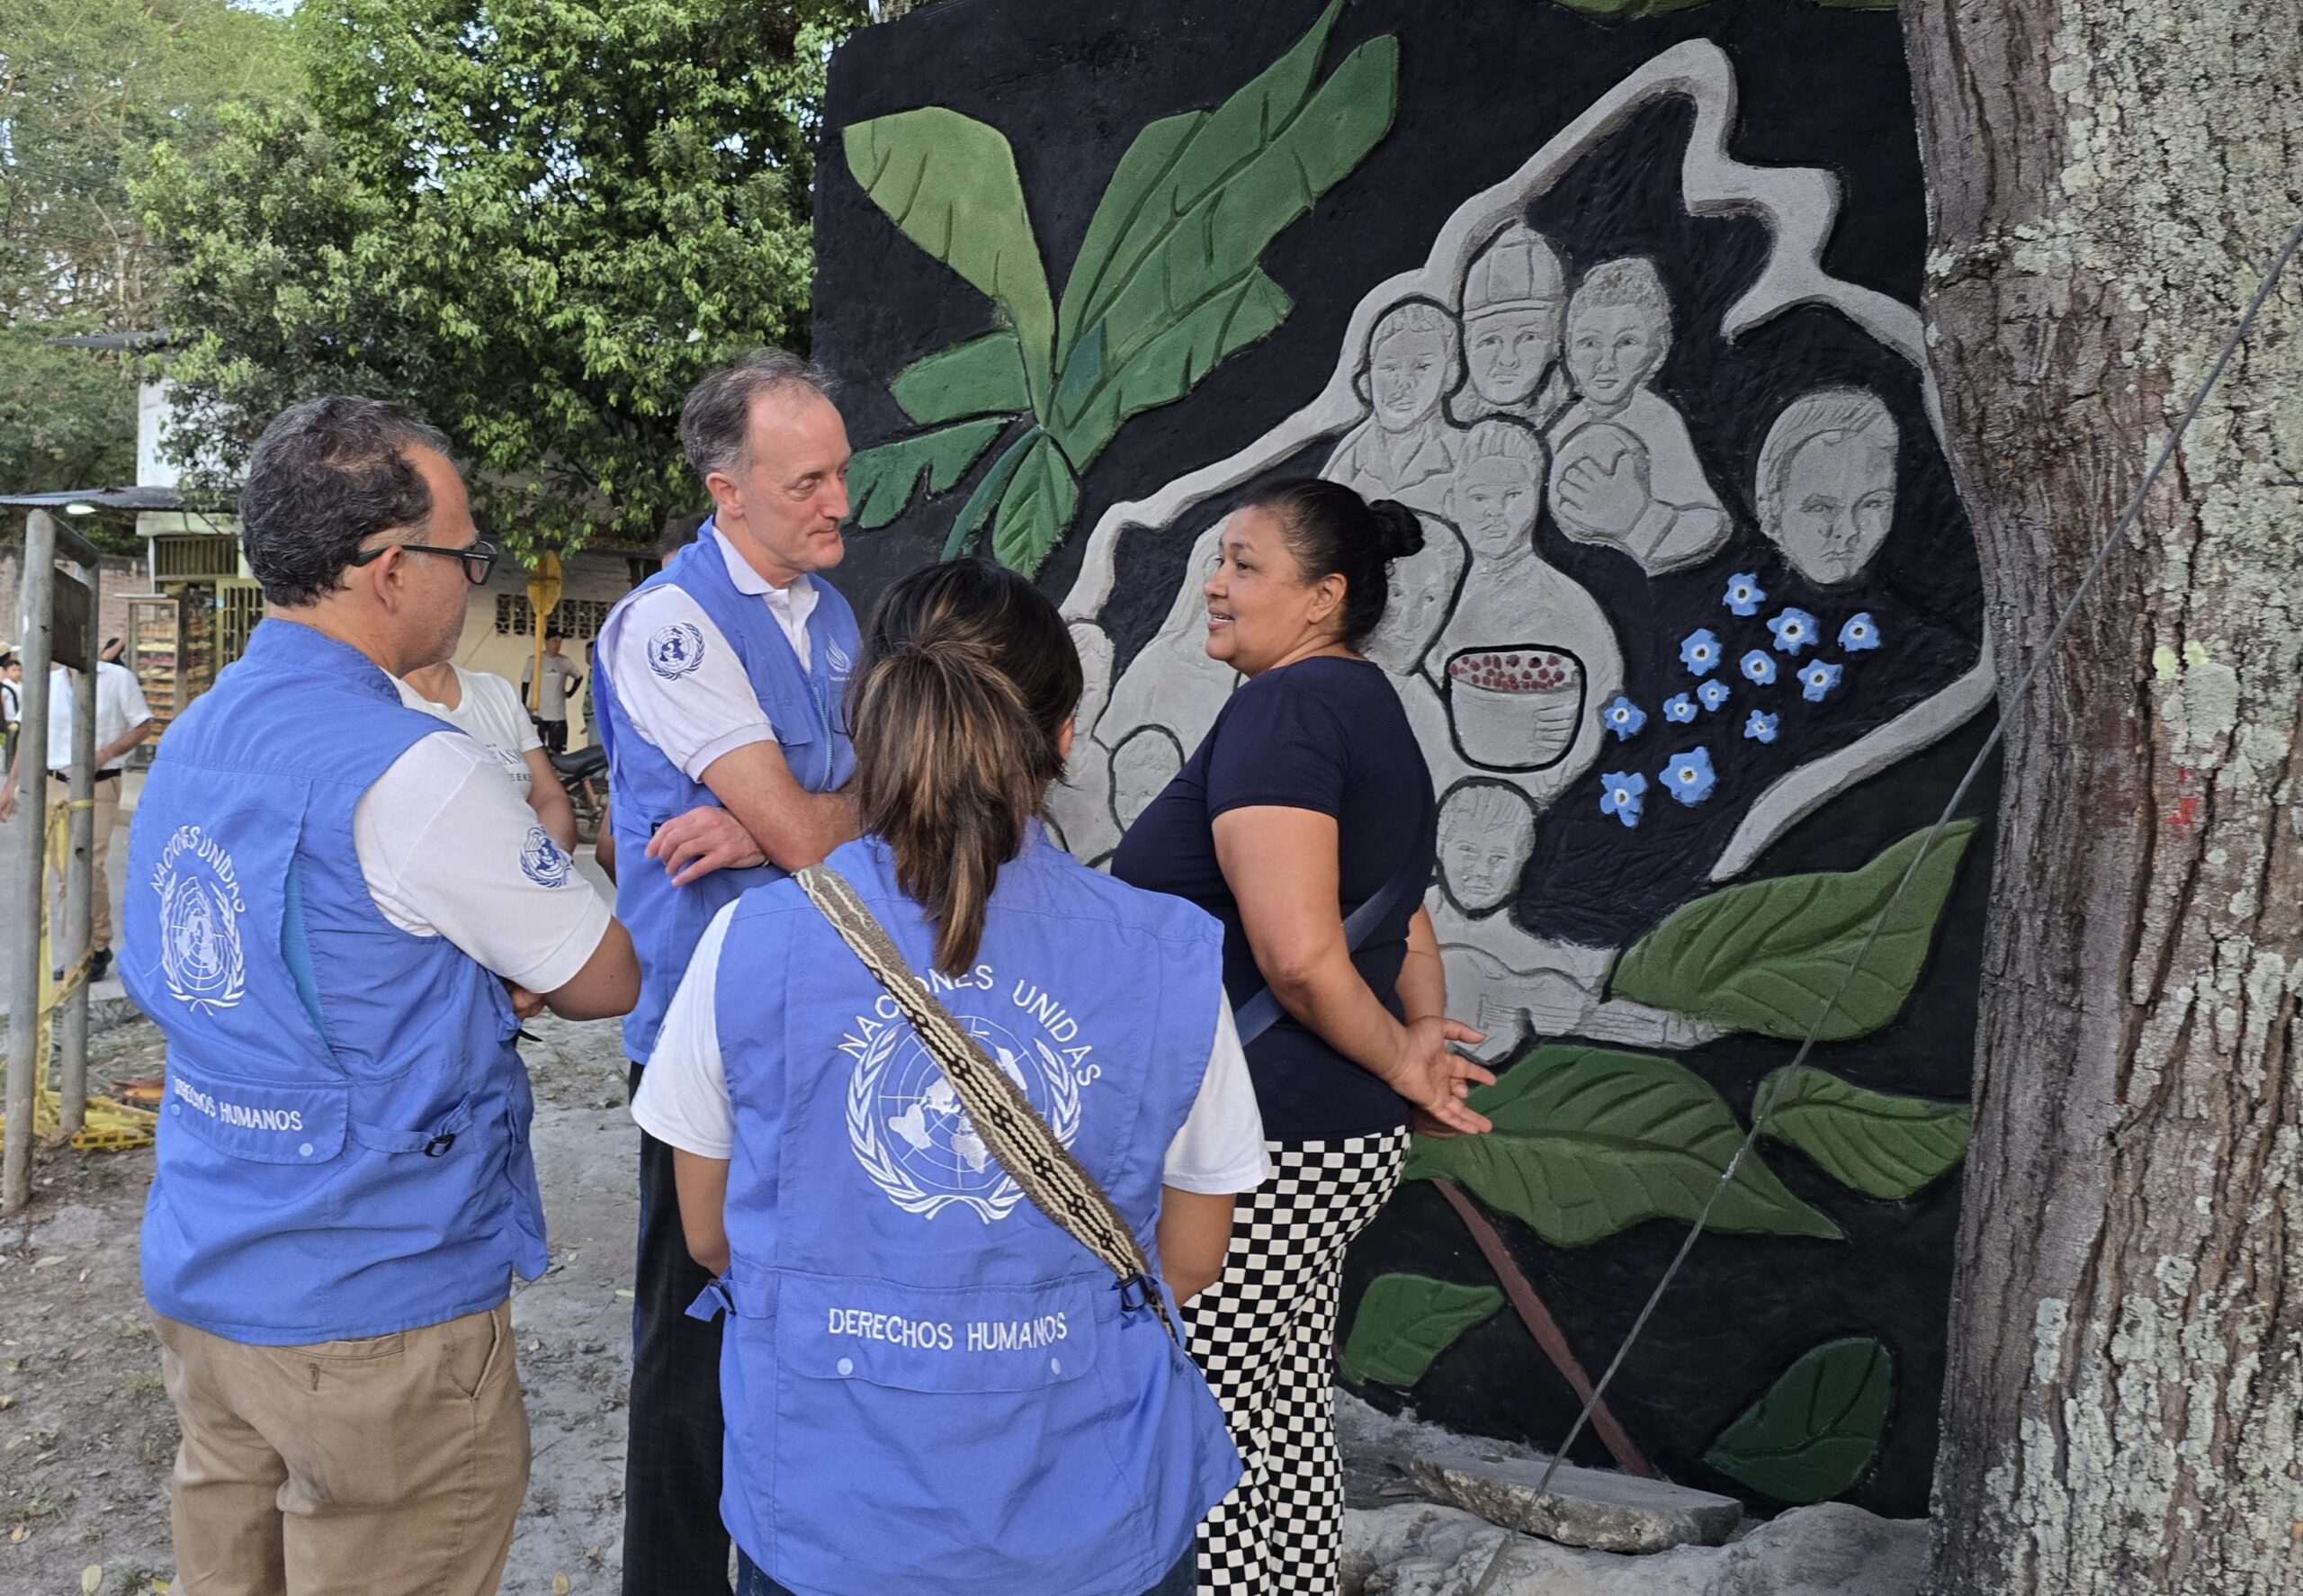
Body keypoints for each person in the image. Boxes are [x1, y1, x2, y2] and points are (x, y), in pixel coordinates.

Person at [634, 559, 1266, 1596]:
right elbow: (1192, 1255)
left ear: (865, 726)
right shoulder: (1171, 956)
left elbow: (710, 1236)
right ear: (1065, 737)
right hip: (1092, 1517)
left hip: (829, 1514)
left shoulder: (750, 943)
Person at [119, 395, 638, 1596]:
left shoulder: (198, 736)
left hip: (210, 1264)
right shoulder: (417, 769)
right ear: (394, 568)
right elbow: (602, 975)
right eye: (468, 553)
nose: (473, 577)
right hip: (375, 1307)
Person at [1110, 478, 1493, 1593]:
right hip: (1328, 1136)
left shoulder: (1286, 711)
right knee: (1280, 1422)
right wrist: (1412, 1044)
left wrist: (1408, 1055)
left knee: (1208, 1422)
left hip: (1260, 1139)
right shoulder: (1364, 702)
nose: (1216, 585)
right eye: (1219, 561)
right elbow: (1401, 914)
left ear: (1324, 596)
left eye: (1245, 565)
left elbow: (1300, 956)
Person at [592, 349, 862, 1595]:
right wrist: (802, 822)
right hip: (710, 1039)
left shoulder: (831, 613)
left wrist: (772, 824)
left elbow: (867, 804)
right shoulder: (672, 623)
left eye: (842, 473)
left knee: (812, 1316)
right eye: (807, 482)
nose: (839, 502)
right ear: (727, 490)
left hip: (830, 1014)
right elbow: (845, 817)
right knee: (695, 1333)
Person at [1546, 256, 1728, 574]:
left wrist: (1637, 519)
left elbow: (1706, 522)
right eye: (1589, 343)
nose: (1606, 362)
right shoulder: (1562, 427)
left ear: (1656, 354)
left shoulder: (1658, 422)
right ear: (1569, 352)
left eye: (1626, 343)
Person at [0, 649, 157, 982]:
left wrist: (106, 753)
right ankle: (80, 946)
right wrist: (11, 784)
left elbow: (144, 725)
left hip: (99, 784)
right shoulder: (48, 683)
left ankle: (96, 946)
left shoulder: (117, 678)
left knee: (87, 865)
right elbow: (30, 735)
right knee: (63, 870)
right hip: (54, 784)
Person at [398, 658, 579, 850]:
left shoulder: (497, 690)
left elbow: (548, 796)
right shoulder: (382, 700)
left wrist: (550, 859)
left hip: (517, 865)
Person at [523, 630, 581, 752]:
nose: (557, 645)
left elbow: (578, 677)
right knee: (540, 750)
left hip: (558, 714)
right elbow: (525, 683)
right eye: (554, 641)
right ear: (546, 642)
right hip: (539, 714)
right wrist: (523, 705)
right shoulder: (535, 660)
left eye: (560, 642)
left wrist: (570, 693)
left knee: (557, 751)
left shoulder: (564, 661)